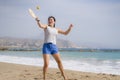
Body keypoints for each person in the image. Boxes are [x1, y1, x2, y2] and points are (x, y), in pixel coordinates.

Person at [36, 16, 73, 80]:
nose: (50, 20)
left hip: (54, 47)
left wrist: (70, 28)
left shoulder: (56, 29)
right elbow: (40, 26)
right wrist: (38, 21)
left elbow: (65, 33)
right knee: (46, 64)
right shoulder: (46, 27)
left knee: (59, 62)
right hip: (46, 46)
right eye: (49, 20)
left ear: (54, 21)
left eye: (51, 19)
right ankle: (44, 78)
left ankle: (64, 77)